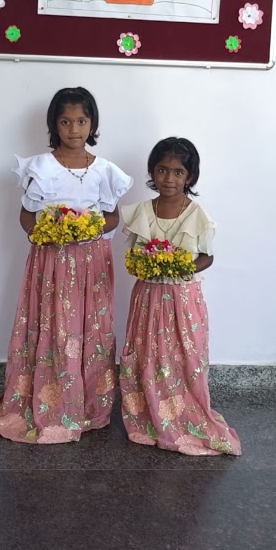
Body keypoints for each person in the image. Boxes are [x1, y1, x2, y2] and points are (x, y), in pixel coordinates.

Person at [0, 87, 133, 444]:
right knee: (53, 325)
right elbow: (27, 215)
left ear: (92, 123)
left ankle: (88, 405)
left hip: (92, 263)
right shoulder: (42, 167)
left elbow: (112, 216)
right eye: (65, 121)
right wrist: (43, 234)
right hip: (51, 259)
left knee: (90, 328)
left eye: (81, 120)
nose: (74, 129)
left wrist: (91, 227)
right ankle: (50, 401)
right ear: (54, 124)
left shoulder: (105, 170)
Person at [116, 137, 241, 456]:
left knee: (184, 356)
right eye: (161, 170)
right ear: (152, 172)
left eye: (177, 172)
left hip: (183, 298)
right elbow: (132, 256)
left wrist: (178, 266)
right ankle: (148, 412)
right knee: (148, 353)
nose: (168, 179)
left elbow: (206, 257)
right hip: (148, 296)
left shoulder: (197, 215)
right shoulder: (142, 211)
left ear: (190, 177)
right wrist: (146, 264)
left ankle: (182, 414)